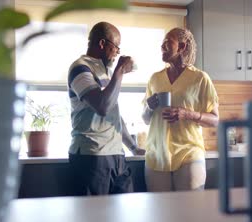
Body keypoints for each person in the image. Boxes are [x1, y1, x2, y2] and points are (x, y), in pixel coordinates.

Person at [67, 21, 145, 196]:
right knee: (95, 220)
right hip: (92, 157)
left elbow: (113, 115)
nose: (117, 53)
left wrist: (133, 147)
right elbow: (102, 106)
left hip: (117, 156)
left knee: (125, 217)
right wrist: (120, 70)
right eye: (116, 47)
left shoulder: (106, 72)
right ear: (102, 43)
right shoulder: (80, 68)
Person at [142, 27, 219, 192]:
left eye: (167, 42)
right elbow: (146, 119)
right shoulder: (154, 79)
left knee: (191, 212)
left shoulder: (200, 79)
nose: (162, 46)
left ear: (182, 47)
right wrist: (149, 106)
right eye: (161, 43)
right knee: (160, 215)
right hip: (156, 155)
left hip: (189, 154)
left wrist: (188, 114)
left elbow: (215, 119)